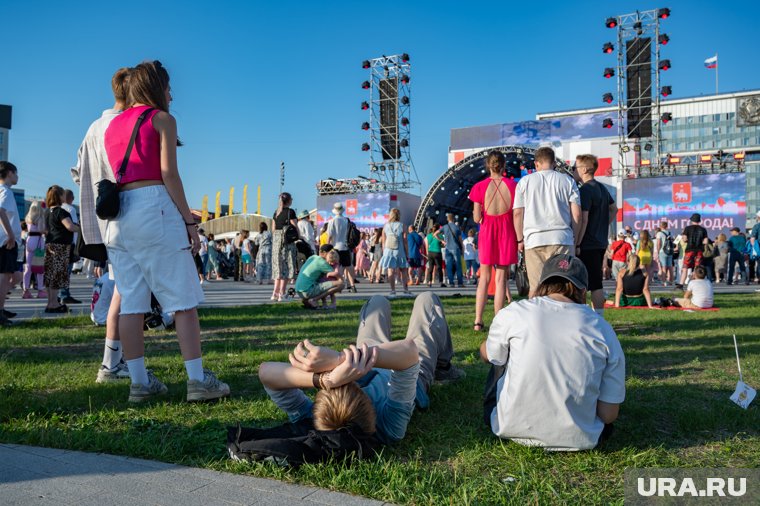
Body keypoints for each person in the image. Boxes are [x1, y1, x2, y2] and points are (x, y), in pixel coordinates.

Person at [103, 60, 228, 403]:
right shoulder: (162, 120)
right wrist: (189, 220)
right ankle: (197, 380)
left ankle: (139, 383)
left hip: (120, 215)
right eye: (169, 87)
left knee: (131, 302)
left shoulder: (112, 126)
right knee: (184, 300)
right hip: (153, 205)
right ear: (156, 87)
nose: (172, 94)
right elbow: (168, 173)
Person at [258, 292, 464, 446]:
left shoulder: (318, 418)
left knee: (376, 302)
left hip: (368, 358)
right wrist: (340, 359)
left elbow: (266, 372)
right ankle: (443, 367)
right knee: (427, 301)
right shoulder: (389, 428)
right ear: (370, 409)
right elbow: (409, 353)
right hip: (407, 370)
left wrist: (325, 379)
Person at [480, 254, 625, 450]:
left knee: (499, 354)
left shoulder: (515, 312)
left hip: (508, 426)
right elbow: (609, 415)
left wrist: (486, 345)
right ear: (583, 292)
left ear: (542, 285)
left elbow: (489, 356)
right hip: (583, 436)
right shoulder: (603, 329)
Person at [70, 67, 132, 382]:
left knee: (122, 289)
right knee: (125, 292)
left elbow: (77, 169)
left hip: (100, 220)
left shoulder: (93, 126)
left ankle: (116, 360)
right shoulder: (120, 125)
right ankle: (111, 363)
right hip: (124, 216)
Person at [513, 147, 581, 297]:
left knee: (535, 287)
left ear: (536, 164)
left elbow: (518, 213)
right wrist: (574, 239)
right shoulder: (568, 181)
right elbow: (576, 214)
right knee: (562, 287)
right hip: (562, 239)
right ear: (554, 163)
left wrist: (519, 240)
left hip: (534, 240)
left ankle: (536, 320)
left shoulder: (524, 182)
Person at [468, 150, 518, 331]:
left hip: (488, 231)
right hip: (507, 231)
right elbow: (517, 212)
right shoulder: (513, 186)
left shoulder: (479, 187)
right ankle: (498, 320)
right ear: (503, 166)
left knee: (484, 278)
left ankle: (478, 321)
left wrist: (481, 217)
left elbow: (475, 217)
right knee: (501, 279)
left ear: (488, 166)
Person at [573, 154, 616, 316]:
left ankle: (584, 318)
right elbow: (614, 209)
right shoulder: (601, 188)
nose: (573, 172)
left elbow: (583, 219)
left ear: (584, 169)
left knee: (582, 284)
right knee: (596, 283)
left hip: (587, 243)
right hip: (600, 242)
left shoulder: (585, 190)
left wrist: (577, 242)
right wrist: (604, 223)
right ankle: (599, 319)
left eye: (575, 168)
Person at [44, 185, 80, 314]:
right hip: (61, 246)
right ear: (60, 196)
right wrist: (82, 229)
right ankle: (54, 304)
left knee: (50, 275)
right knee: (57, 275)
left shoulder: (47, 211)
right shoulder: (61, 211)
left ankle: (50, 302)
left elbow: (45, 229)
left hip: (50, 244)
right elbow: (69, 227)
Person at [0, 162, 22, 327]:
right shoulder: (6, 191)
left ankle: (1, 306)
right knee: (5, 277)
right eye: (15, 173)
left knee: (16, 277)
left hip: (6, 241)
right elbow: (0, 210)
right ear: (9, 173)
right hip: (6, 242)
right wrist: (10, 235)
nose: (17, 177)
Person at [271, 192, 298, 301]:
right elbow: (295, 226)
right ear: (289, 200)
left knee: (278, 267)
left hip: (277, 241)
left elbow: (273, 229)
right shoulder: (290, 212)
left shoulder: (276, 212)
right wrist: (299, 236)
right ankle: (282, 294)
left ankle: (274, 293)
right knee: (287, 266)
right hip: (287, 241)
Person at [56, 189, 81, 305]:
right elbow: (75, 228)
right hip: (69, 243)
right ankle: (64, 294)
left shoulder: (57, 209)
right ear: (71, 198)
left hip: (58, 243)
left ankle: (59, 294)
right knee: (67, 270)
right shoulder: (70, 209)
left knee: (60, 270)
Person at [379, 208, 410, 296]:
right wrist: (407, 253)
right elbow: (405, 240)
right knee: (403, 270)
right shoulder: (402, 225)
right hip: (399, 250)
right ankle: (405, 289)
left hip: (388, 250)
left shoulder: (386, 226)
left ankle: (393, 290)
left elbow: (383, 241)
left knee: (390, 270)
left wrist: (384, 252)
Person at [327, 202, 357, 292]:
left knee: (337, 268)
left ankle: (338, 285)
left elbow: (329, 236)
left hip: (336, 247)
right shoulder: (346, 220)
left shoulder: (332, 221)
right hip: (345, 246)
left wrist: (326, 248)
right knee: (349, 266)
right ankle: (353, 286)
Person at [22, 200, 46, 299]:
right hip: (38, 241)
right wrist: (46, 231)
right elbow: (41, 230)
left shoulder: (28, 218)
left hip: (29, 241)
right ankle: (40, 290)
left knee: (28, 268)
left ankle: (25, 290)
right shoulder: (40, 217)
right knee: (39, 267)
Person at [678, 213, 708, 288]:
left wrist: (688, 240)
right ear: (699, 221)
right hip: (699, 251)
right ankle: (696, 284)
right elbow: (706, 242)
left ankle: (681, 284)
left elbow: (684, 239)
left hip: (689, 250)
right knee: (697, 268)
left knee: (685, 267)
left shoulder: (687, 228)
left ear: (691, 220)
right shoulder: (703, 229)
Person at [441, 213, 464, 288]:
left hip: (447, 249)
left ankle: (451, 283)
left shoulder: (444, 227)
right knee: (458, 266)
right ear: (453, 219)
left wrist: (442, 241)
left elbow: (435, 234)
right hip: (455, 248)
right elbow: (460, 240)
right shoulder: (457, 227)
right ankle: (460, 283)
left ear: (447, 219)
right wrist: (463, 250)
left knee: (449, 266)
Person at [654, 219, 674, 286]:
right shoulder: (670, 233)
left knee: (663, 267)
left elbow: (659, 243)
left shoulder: (659, 233)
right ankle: (671, 281)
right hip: (670, 252)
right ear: (666, 226)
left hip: (662, 252)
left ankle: (664, 282)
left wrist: (658, 251)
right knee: (670, 267)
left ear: (660, 226)